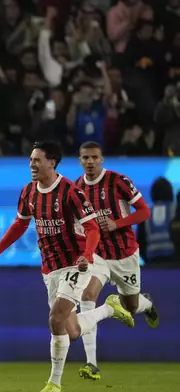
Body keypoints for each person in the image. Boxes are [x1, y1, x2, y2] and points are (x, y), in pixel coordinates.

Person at [0, 141, 135, 392]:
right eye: (30, 160)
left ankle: (54, 383)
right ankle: (109, 309)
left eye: (37, 160)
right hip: (49, 268)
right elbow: (19, 225)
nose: (32, 164)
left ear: (52, 162)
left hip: (75, 264)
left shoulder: (70, 191)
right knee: (71, 330)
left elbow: (93, 227)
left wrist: (87, 255)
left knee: (55, 318)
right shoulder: (28, 192)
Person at [75, 141, 158, 381]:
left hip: (125, 254)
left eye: (94, 157)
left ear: (101, 159)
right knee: (87, 296)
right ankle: (91, 363)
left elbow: (144, 211)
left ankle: (147, 304)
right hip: (99, 254)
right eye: (85, 158)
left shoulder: (119, 181)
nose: (89, 162)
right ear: (80, 160)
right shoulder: (77, 189)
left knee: (131, 306)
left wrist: (117, 224)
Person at [138, 177, 175, 265]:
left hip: (153, 263)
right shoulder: (176, 210)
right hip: (175, 263)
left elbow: (140, 242)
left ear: (152, 194)